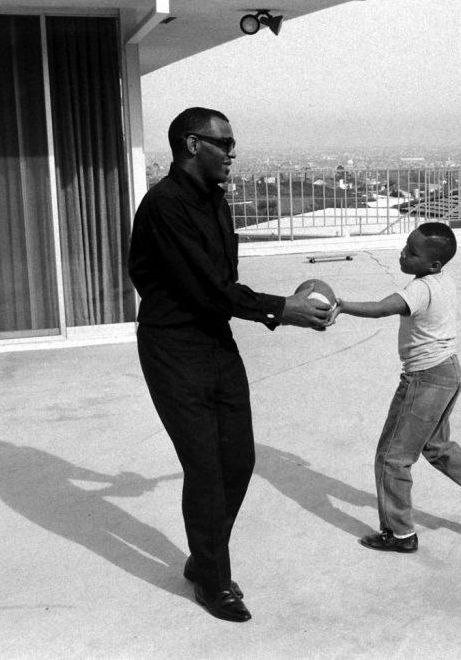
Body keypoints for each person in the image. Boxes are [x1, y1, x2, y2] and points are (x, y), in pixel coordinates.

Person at [128, 107, 331, 622]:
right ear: (193, 145)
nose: (232, 153)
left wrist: (266, 305)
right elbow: (205, 286)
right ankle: (214, 579)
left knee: (238, 461)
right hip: (173, 349)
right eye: (225, 143)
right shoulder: (164, 206)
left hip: (214, 340)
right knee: (205, 467)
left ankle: (202, 559)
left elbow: (219, 285)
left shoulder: (216, 200)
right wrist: (282, 309)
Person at [332, 222, 461, 552]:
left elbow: (381, 309)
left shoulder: (420, 289)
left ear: (433, 264)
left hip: (426, 379)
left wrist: (343, 306)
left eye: (412, 253)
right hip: (448, 373)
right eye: (406, 246)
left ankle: (400, 533)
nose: (404, 254)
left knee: (392, 457)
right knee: (436, 447)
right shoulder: (443, 281)